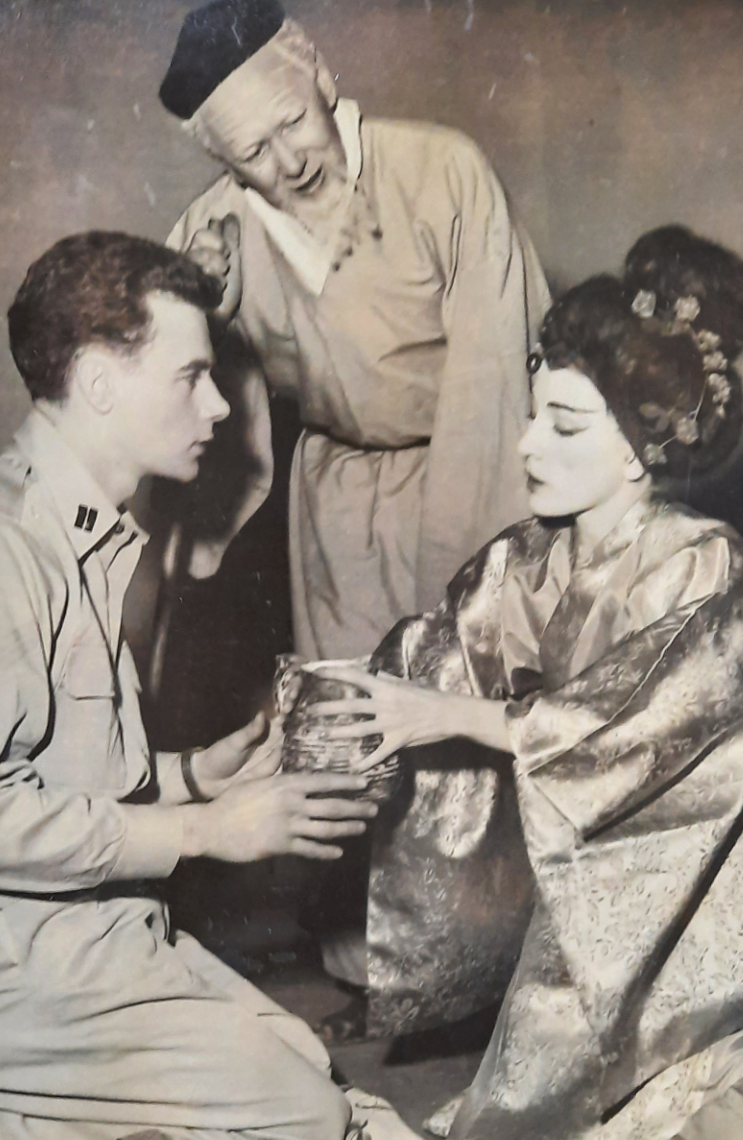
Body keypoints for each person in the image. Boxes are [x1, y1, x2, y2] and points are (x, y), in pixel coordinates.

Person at [312, 226, 743, 1140]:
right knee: (518, 1128)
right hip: (602, 864)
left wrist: (444, 713)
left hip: (710, 865)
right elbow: (442, 655)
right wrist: (358, 709)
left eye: (565, 425)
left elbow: (635, 730)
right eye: (532, 415)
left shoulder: (707, 564)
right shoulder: (528, 560)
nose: (526, 444)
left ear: (643, 448)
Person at [0, 231, 478, 1140]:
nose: (219, 408)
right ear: (97, 381)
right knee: (304, 1123)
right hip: (16, 967)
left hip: (97, 938)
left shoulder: (97, 529)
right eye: (194, 376)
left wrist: (189, 775)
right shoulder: (3, 550)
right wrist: (209, 830)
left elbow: (53, 768)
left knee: (304, 1073)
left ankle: (72, 1128)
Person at [158, 0, 550, 662]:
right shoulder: (213, 230)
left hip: (469, 469)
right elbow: (158, 390)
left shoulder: (441, 169)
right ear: (223, 159)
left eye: (293, 121)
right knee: (351, 724)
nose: (291, 160)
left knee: (466, 686)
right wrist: (195, 312)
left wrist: (458, 578)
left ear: (317, 69)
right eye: (254, 151)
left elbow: (494, 378)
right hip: (333, 508)